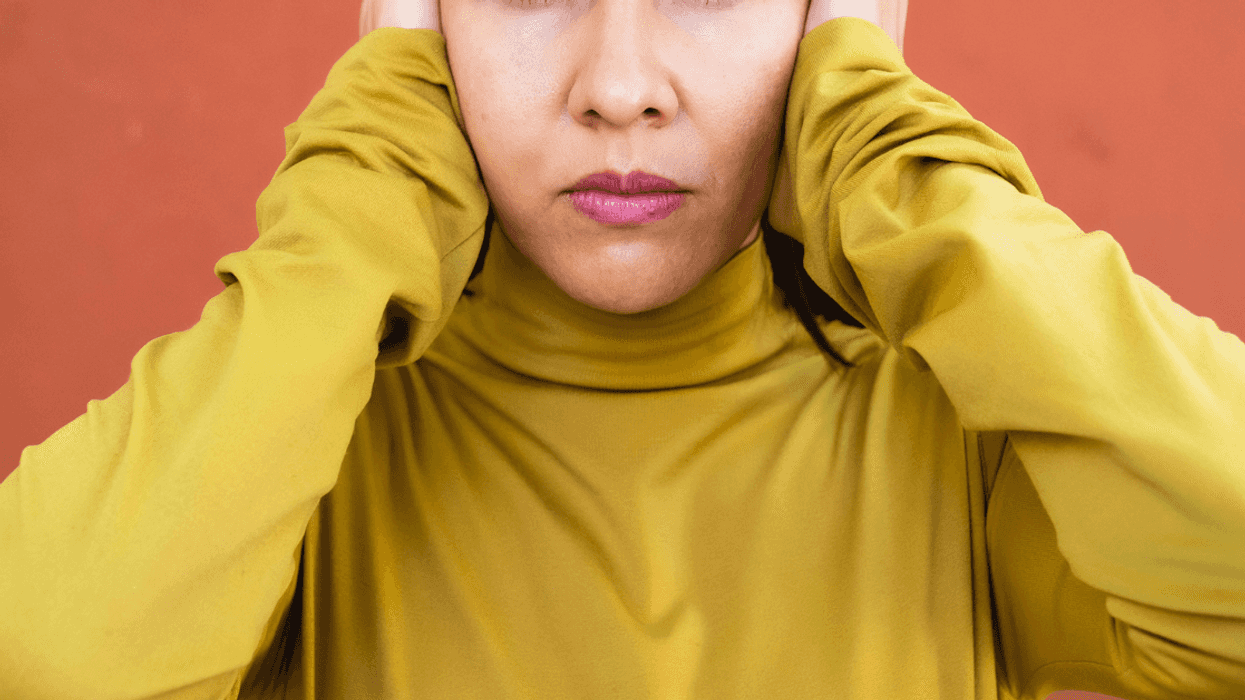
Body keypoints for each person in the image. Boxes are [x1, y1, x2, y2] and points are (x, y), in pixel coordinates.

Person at [1, 0, 1242, 697]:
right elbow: (49, 659)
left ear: (825, 19)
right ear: (424, 24)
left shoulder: (961, 427)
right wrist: (364, 194)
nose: (621, 87)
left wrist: (889, 162)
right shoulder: (298, 442)